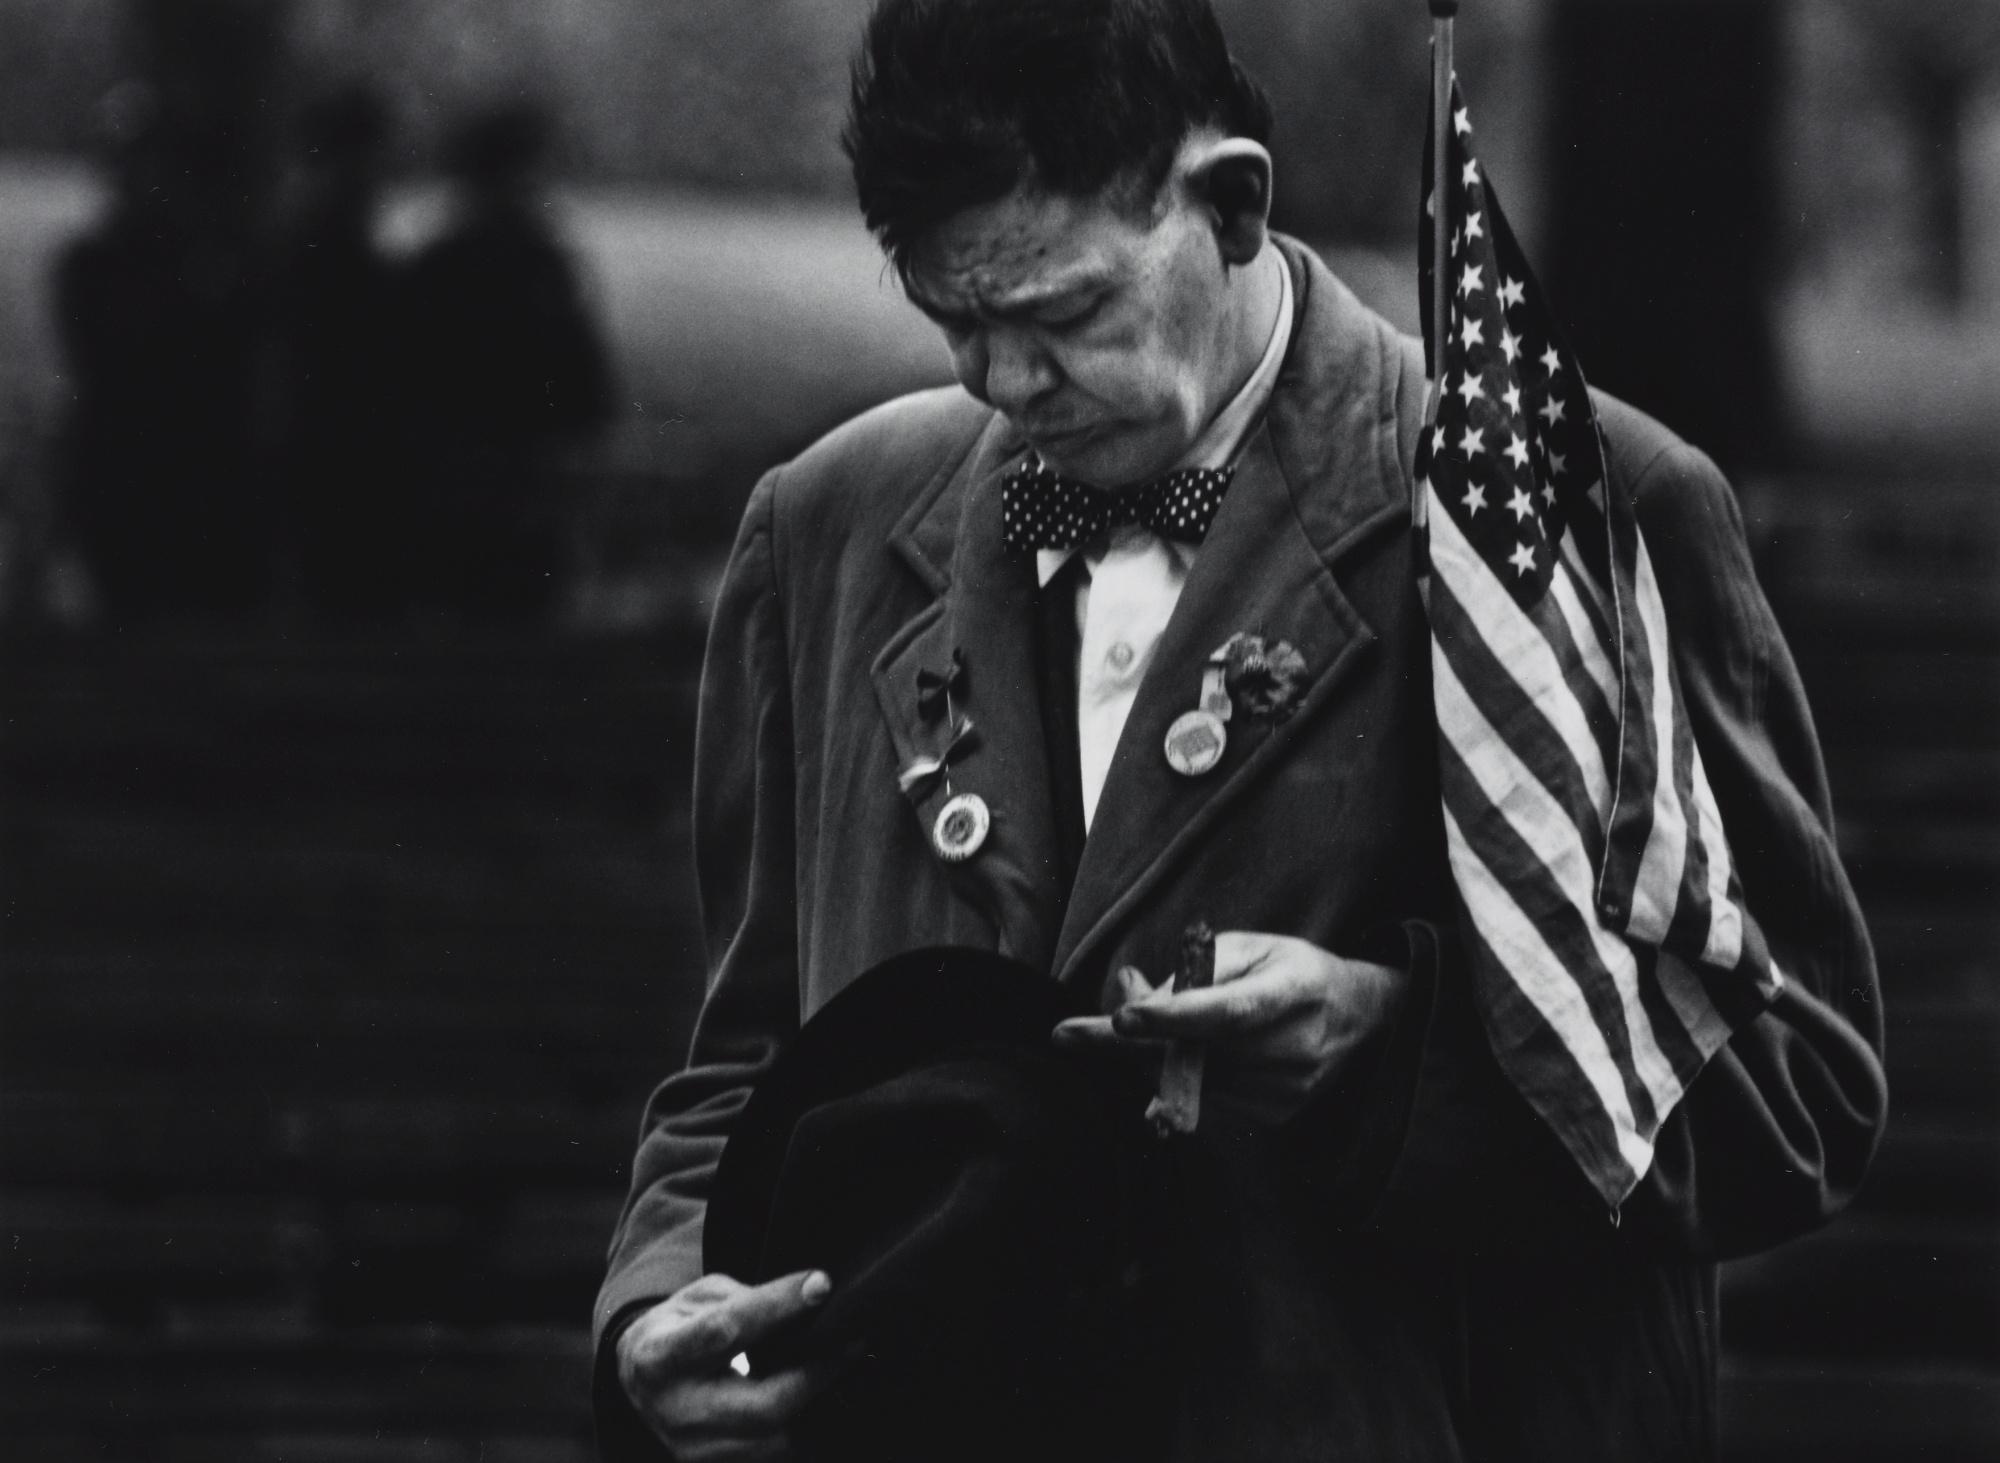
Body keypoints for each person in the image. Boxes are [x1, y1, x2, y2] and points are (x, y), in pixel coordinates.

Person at [596, 2, 1886, 1458]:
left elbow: (1801, 1095)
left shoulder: (1564, 498)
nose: (1008, 386)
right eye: (958, 321)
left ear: (1230, 203)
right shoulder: (826, 523)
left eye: (1067, 314)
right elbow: (743, 1059)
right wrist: (656, 1303)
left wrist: (1390, 1047)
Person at [400, 102, 611, 623]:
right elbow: (583, 384)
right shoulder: (541, 263)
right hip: (519, 477)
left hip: (457, 478)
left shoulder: (438, 265)